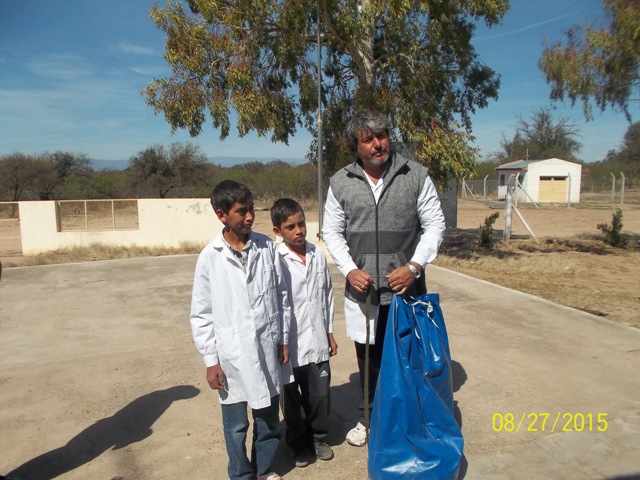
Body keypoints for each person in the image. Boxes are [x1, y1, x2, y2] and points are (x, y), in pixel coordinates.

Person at [322, 108, 446, 447]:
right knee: (369, 360)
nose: (379, 144)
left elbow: (435, 224)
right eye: (368, 139)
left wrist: (415, 266)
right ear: (355, 146)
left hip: (407, 291)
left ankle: (410, 419)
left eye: (383, 135)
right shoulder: (340, 182)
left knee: (408, 357)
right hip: (364, 294)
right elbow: (331, 231)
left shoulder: (415, 174)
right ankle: (370, 418)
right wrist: (349, 269)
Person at [190, 180, 291, 480]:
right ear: (221, 215)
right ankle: (240, 474)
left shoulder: (266, 247)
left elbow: (280, 295)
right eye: (241, 212)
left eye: (251, 210)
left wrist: (282, 339)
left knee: (269, 420)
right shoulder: (210, 257)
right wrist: (211, 360)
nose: (249, 217)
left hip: (266, 348)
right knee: (235, 427)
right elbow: (201, 313)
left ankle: (265, 470)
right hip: (231, 356)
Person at [270, 198, 338, 468]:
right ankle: (297, 443)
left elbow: (328, 296)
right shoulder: (276, 259)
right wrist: (279, 340)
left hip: (318, 338)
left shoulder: (317, 253)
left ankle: (319, 438)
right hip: (290, 343)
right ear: (278, 231)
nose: (298, 231)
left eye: (301, 224)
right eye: (290, 227)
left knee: (320, 395)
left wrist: (330, 331)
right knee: (292, 399)